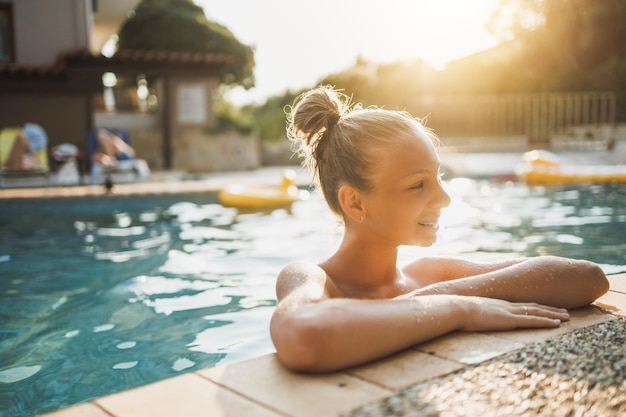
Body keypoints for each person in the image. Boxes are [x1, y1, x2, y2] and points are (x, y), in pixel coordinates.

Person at [269, 86, 610, 373]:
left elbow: (587, 278)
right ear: (356, 203)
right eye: (418, 185)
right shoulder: (309, 278)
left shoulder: (431, 275)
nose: (445, 198)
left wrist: (440, 295)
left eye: (438, 177)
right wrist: (460, 309)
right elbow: (304, 337)